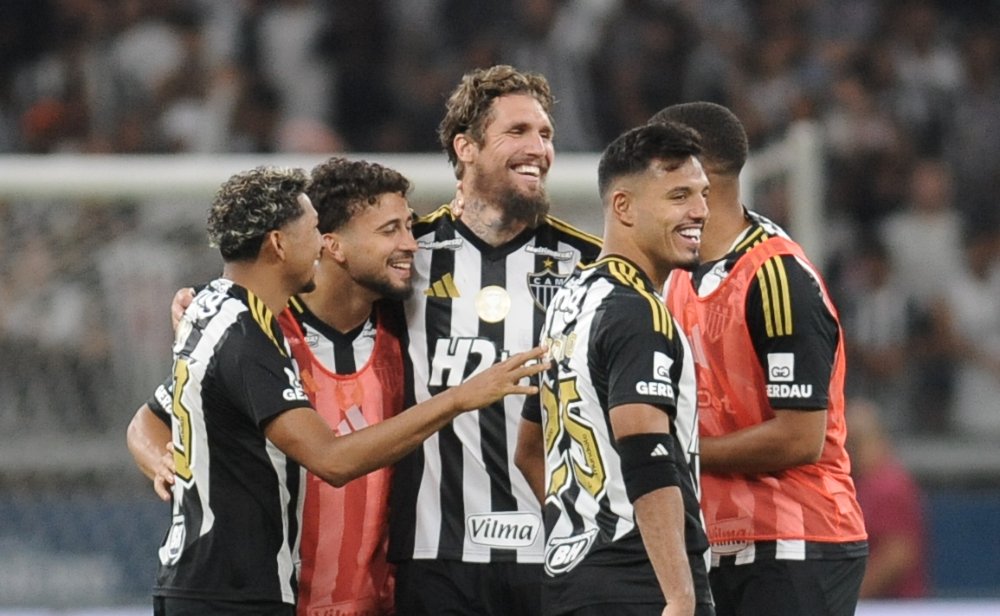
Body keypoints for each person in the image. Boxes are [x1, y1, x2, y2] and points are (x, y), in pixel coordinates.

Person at [126, 164, 547, 616]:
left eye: (409, 226)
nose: (411, 243)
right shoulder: (260, 333)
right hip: (250, 590)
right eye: (390, 230)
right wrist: (165, 462)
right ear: (326, 245)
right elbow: (330, 459)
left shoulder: (401, 328)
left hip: (367, 597)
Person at [388, 64, 602, 616]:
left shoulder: (590, 266)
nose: (539, 148)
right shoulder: (404, 256)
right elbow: (302, 286)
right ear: (466, 147)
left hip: (559, 547)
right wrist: (206, 297)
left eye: (546, 134)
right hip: (436, 552)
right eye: (518, 132)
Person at [653, 102, 868, 616]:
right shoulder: (680, 274)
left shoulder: (776, 278)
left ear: (697, 174)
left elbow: (800, 436)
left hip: (796, 539)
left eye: (655, 166)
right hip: (721, 542)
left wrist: (676, 454)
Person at [514, 121, 714, 616]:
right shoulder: (636, 311)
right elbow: (647, 454)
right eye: (679, 196)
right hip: (640, 586)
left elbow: (528, 450)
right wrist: (680, 595)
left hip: (570, 585)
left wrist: (584, 536)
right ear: (623, 207)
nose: (700, 212)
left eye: (703, 194)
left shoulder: (568, 301)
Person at [846, 398, 928, 599]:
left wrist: (848, 597)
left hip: (892, 606)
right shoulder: (862, 483)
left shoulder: (888, 486)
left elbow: (897, 555)